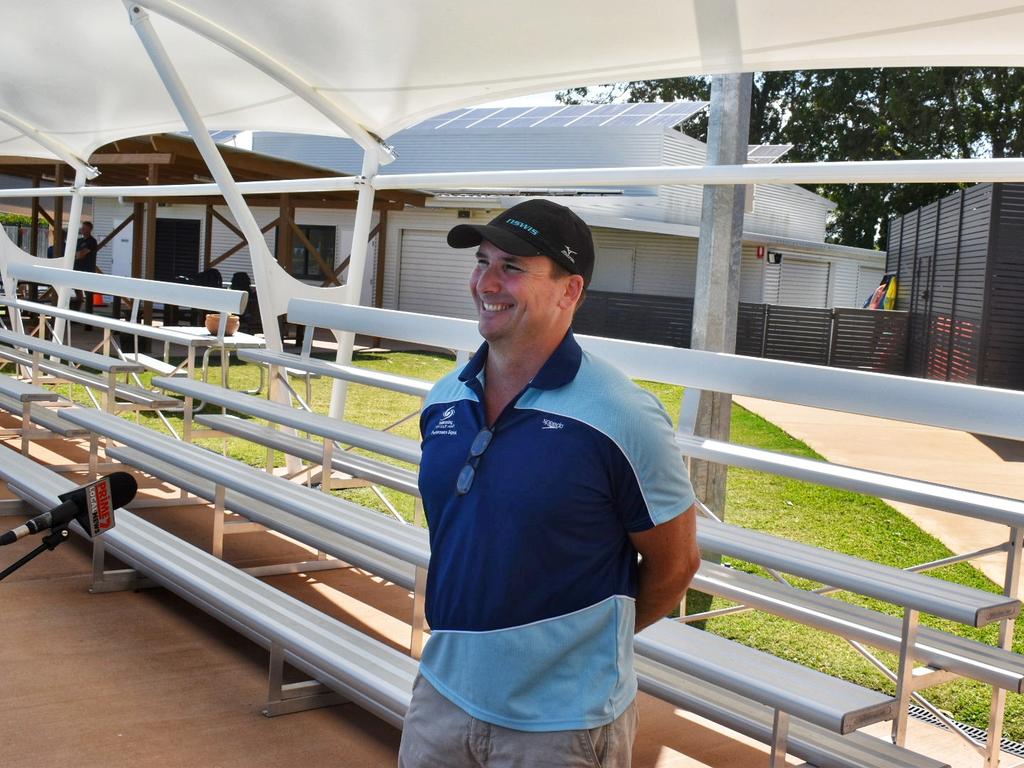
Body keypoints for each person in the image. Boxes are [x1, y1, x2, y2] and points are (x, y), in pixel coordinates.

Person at [399, 199, 700, 767]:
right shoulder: (444, 398)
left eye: (511, 267)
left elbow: (677, 563)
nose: (486, 281)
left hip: (563, 727)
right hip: (442, 696)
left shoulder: (621, 415)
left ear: (570, 291)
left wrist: (584, 647)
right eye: (482, 261)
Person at [72, 221, 98, 311]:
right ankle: (77, 312)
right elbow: (72, 253)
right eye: (82, 228)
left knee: (88, 293)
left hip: (87, 270)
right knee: (77, 290)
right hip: (77, 269)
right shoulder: (79, 241)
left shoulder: (92, 241)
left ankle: (88, 314)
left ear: (90, 229)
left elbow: (81, 254)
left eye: (84, 228)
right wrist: (75, 254)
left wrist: (75, 254)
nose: (82, 230)